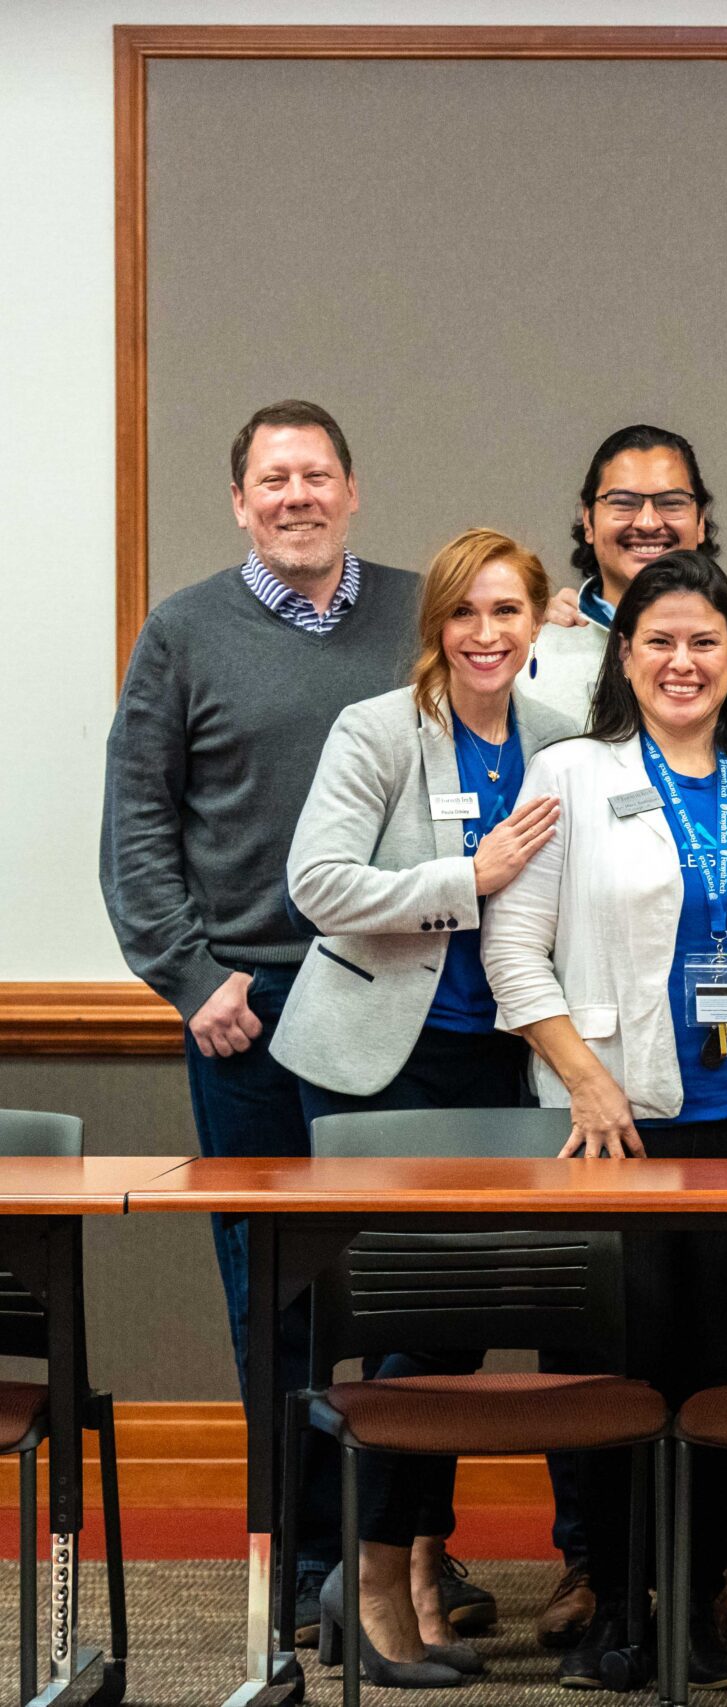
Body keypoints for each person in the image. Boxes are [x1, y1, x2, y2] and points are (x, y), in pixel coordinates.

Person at [482, 550, 727, 1689]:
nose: (682, 661)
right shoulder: (572, 769)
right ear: (626, 657)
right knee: (618, 1368)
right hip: (617, 1126)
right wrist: (584, 1076)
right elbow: (512, 947)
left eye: (704, 641)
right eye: (659, 641)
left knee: (725, 1369)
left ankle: (712, 1592)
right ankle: (615, 1600)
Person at [100, 399, 422, 1642]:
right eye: (272, 479)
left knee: (401, 1299)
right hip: (246, 1014)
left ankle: (389, 1558)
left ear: (351, 490)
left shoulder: (415, 611)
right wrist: (192, 982)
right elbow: (137, 829)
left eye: (318, 475)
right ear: (240, 501)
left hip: (395, 1001)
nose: (297, 496)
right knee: (274, 1302)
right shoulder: (183, 631)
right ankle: (297, 1564)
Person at [267, 527, 573, 1684]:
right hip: (377, 1071)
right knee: (392, 1335)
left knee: (452, 1337)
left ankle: (409, 1583)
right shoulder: (379, 730)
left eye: (507, 611)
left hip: (496, 1071)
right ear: (435, 626)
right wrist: (469, 881)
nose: (486, 634)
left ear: (538, 622)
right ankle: (371, 1584)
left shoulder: (556, 740)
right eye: (464, 614)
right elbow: (319, 885)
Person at [522, 422, 727, 773]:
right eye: (623, 502)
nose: (646, 522)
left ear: (701, 519)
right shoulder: (529, 657)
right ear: (589, 521)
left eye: (671, 502)